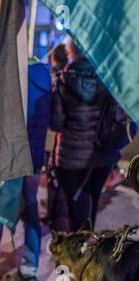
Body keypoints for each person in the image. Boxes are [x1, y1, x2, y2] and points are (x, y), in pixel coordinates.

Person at [50, 39, 121, 231]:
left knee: (75, 208)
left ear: (71, 51)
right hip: (102, 153)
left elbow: (56, 123)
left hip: (71, 157)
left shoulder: (64, 79)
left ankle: (77, 251)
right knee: (93, 200)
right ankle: (87, 246)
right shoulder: (107, 79)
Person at [2, 59, 52, 281]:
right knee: (29, 209)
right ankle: (29, 270)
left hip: (11, 155)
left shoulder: (13, 74)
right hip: (34, 157)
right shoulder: (44, 77)